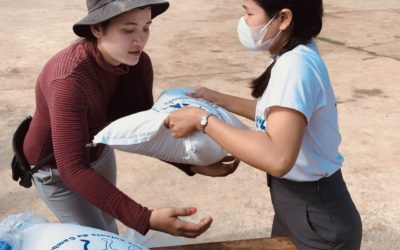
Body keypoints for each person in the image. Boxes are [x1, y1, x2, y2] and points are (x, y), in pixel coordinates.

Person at [21, 0, 238, 238]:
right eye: (128, 29)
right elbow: (72, 167)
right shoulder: (68, 80)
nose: (140, 40)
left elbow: (144, 129)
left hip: (97, 149)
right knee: (96, 237)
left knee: (109, 228)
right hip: (56, 168)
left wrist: (190, 163)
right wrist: (144, 218)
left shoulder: (138, 63)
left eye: (146, 27)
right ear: (97, 29)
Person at [165, 0, 362, 248]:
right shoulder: (290, 55)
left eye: (249, 12)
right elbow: (280, 118)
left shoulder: (295, 67)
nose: (244, 22)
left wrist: (203, 121)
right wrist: (219, 100)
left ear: (283, 18)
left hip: (316, 216)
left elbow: (277, 158)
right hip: (295, 205)